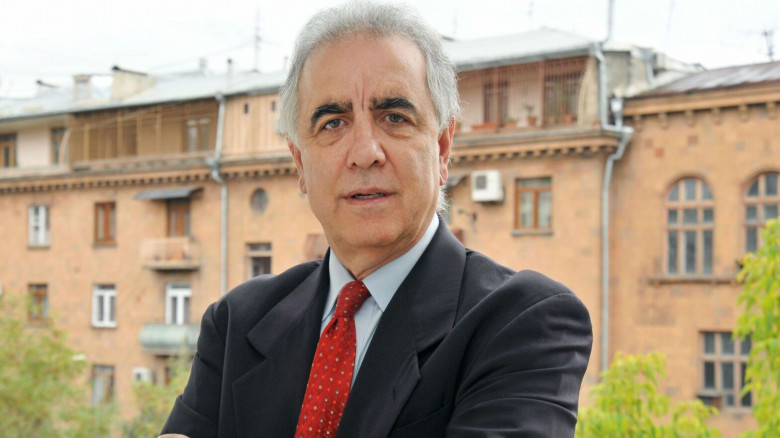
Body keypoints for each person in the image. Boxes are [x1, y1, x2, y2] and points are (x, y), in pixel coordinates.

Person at [160, 2, 592, 437]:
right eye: (333, 123)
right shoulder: (238, 322)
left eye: (394, 117)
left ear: (442, 148)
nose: (365, 152)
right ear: (300, 163)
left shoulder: (525, 323)